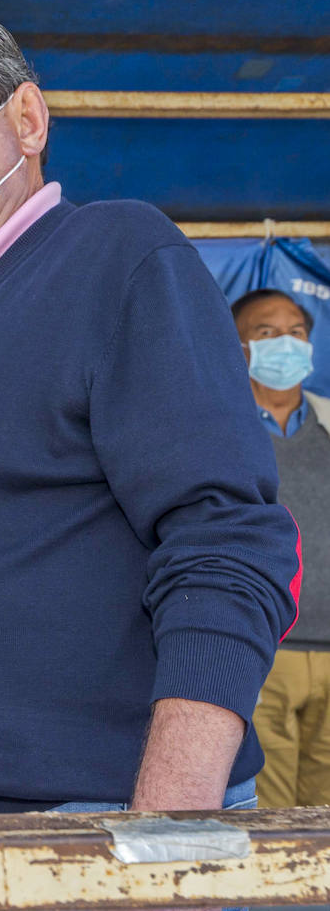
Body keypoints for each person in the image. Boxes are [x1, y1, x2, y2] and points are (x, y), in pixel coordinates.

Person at [0, 10, 301, 815]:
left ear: (26, 119)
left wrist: (171, 822)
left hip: (93, 818)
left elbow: (225, 534)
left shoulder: (113, 256)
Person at [232, 288, 330, 807]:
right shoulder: (219, 426)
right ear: (239, 347)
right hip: (266, 653)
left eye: (296, 332)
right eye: (267, 333)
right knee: (269, 819)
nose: (286, 344)